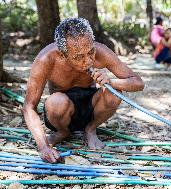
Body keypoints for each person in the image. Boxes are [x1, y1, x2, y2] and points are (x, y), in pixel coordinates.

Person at [23, 18, 144, 163]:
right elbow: (29, 106)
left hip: (90, 107)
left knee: (114, 92)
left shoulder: (101, 51)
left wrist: (111, 81)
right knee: (56, 102)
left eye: (90, 51)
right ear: (62, 54)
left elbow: (138, 83)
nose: (88, 61)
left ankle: (91, 129)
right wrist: (43, 146)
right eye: (79, 57)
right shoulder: (46, 60)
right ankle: (62, 132)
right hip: (62, 112)